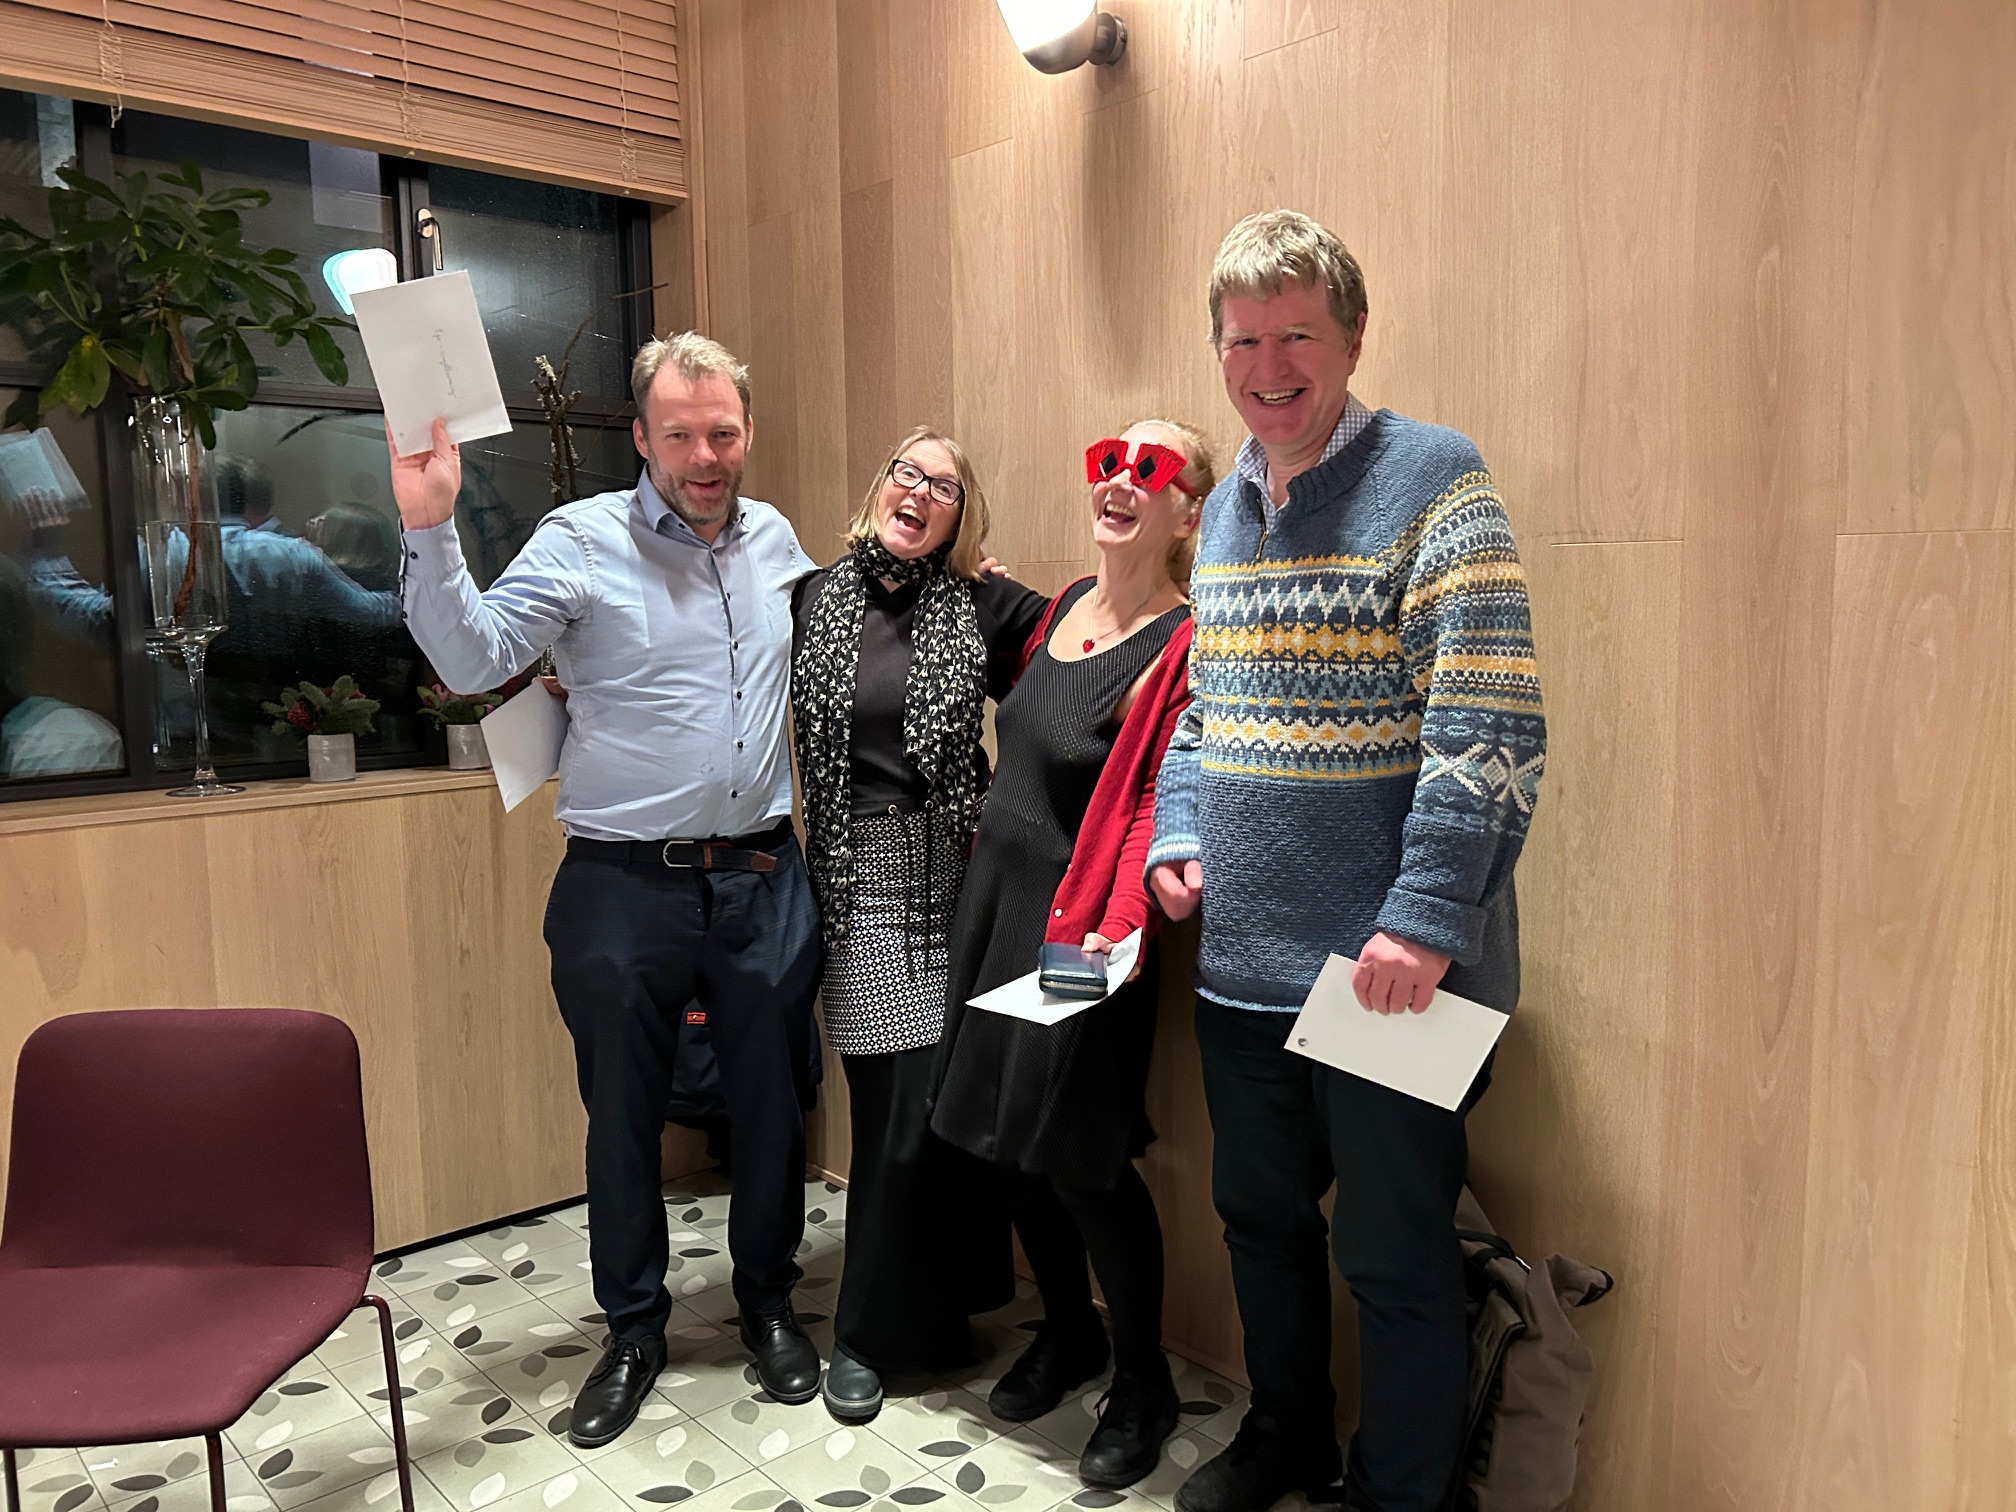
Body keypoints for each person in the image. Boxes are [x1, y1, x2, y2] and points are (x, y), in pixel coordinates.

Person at [1146, 211, 1547, 1512]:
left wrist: (1425, 917)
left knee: (1395, 1256)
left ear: (1354, 337)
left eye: (1296, 336)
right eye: (1242, 341)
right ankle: (1289, 1437)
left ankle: (1401, 1493)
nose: (1268, 368)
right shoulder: (1221, 518)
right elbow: (1203, 715)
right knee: (1261, 1230)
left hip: (1394, 979)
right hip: (1243, 974)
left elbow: (1488, 722)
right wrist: (1180, 832)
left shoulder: (1435, 478)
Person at [388, 332, 826, 1448]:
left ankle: (770, 1303)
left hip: (763, 875)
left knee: (773, 1106)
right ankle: (633, 1331)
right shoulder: (581, 540)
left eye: (722, 432)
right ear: (640, 436)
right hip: (622, 887)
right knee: (622, 1118)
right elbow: (473, 660)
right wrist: (430, 526)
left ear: (748, 431)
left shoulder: (777, 541)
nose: (704, 456)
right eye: (679, 434)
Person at [931, 420, 1212, 1490]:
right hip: (994, 912)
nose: (1120, 480)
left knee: (1082, 1160)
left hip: (1081, 927)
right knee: (1007, 1144)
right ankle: (1067, 1330)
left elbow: (1155, 799)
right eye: (1108, 460)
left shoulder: (1182, 643)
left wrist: (1122, 925)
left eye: (1150, 468)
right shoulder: (1058, 611)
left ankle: (1144, 1382)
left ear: (1186, 510)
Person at [790, 426, 1049, 1422]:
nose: (921, 492)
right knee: (893, 1112)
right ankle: (865, 1335)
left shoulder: (981, 604)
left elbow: (1085, 650)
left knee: (948, 1105)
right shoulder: (811, 598)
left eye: (945, 487)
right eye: (909, 473)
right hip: (857, 879)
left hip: (961, 879)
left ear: (959, 518)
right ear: (879, 486)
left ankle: (947, 1311)